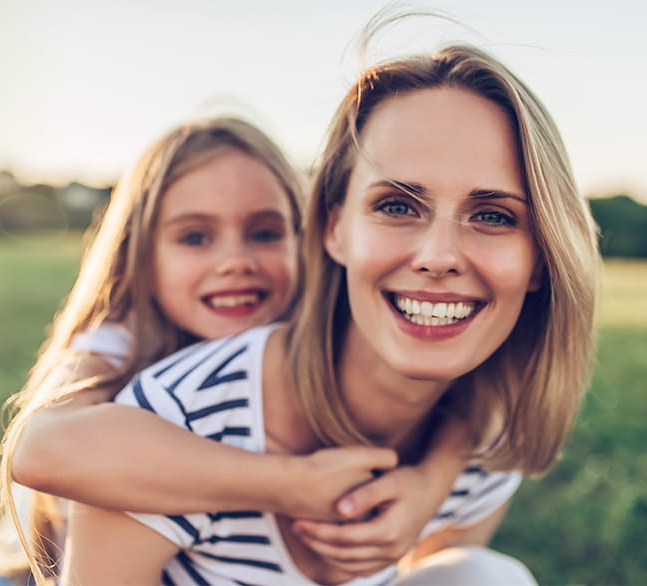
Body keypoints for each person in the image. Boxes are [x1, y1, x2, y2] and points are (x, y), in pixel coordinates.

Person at [57, 41, 599, 585]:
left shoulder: (483, 437)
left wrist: (437, 475)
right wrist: (289, 482)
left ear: (542, 257)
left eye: (493, 215)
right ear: (333, 229)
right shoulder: (166, 416)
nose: (438, 257)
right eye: (396, 206)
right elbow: (40, 449)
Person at [0, 117, 472, 586]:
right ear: (142, 254)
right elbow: (40, 450)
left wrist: (431, 483)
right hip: (29, 573)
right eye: (195, 237)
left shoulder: (310, 339)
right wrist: (292, 484)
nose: (235, 261)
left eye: (264, 233)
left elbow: (468, 389)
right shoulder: (116, 342)